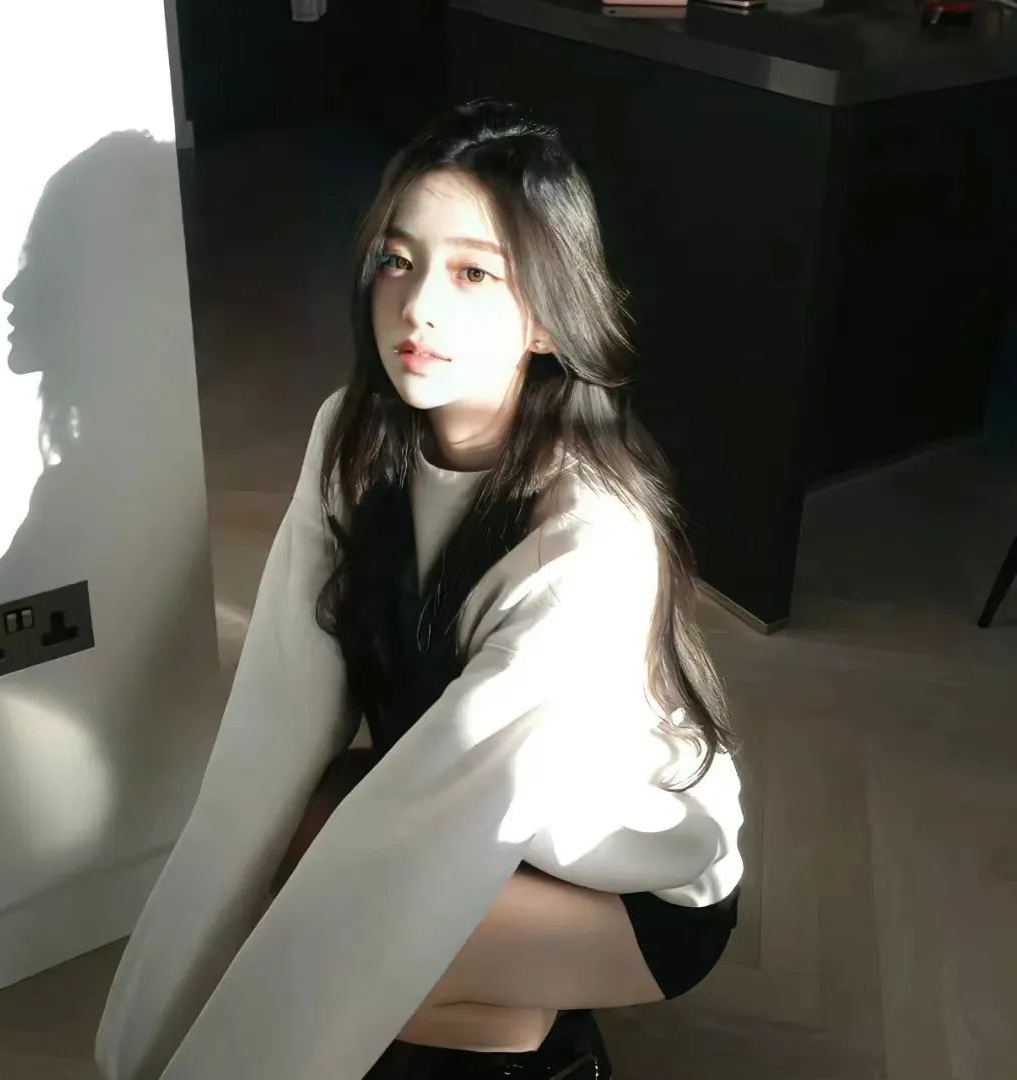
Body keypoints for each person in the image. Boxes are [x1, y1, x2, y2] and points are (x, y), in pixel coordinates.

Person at [95, 98, 745, 1080]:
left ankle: (539, 1045)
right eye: (398, 261)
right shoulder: (352, 437)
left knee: (344, 963)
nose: (418, 306)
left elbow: (471, 796)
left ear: (546, 318)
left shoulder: (588, 532)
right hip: (461, 794)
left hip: (627, 879)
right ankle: (502, 1014)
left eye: (474, 273)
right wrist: (143, 1041)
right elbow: (278, 714)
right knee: (286, 863)